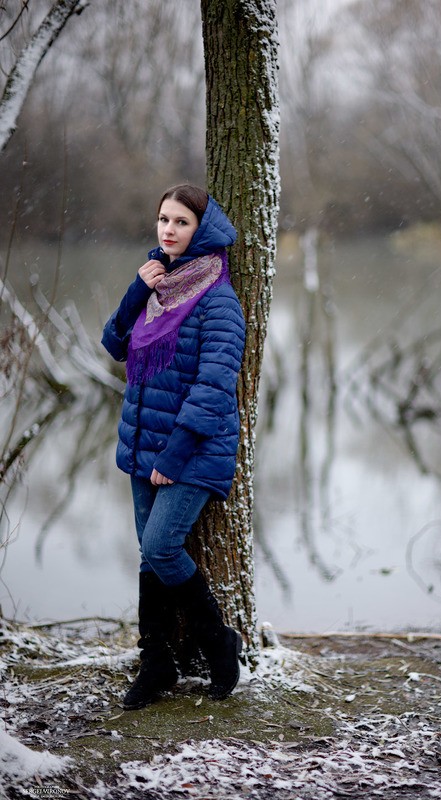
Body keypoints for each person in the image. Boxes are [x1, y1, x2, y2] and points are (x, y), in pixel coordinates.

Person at [101, 184, 246, 710]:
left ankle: (218, 642)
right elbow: (115, 342)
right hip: (143, 444)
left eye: (181, 222)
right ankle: (156, 662)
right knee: (149, 556)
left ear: (200, 231)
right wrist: (137, 291)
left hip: (190, 450)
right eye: (163, 219)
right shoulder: (156, 289)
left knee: (161, 546)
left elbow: (213, 388)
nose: (168, 230)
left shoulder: (219, 302)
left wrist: (173, 455)